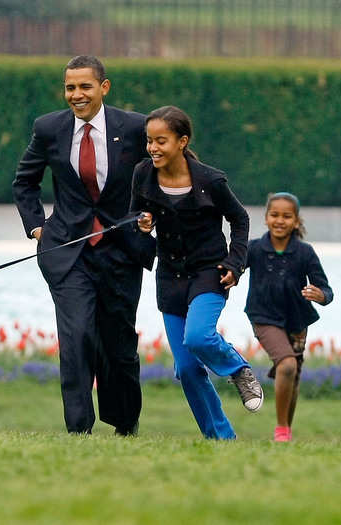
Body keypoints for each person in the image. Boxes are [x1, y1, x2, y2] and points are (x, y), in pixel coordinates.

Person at [12, 55, 155, 435]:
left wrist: (151, 215)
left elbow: (162, 173)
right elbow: (24, 182)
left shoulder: (136, 127)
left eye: (85, 87)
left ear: (103, 88)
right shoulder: (48, 128)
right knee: (76, 341)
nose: (76, 95)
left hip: (121, 252)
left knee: (118, 346)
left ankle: (125, 424)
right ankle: (78, 431)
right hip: (68, 252)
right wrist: (37, 229)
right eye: (70, 87)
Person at [130, 105, 263, 440]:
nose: (153, 147)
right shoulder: (143, 174)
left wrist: (236, 262)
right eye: (149, 141)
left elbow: (240, 219)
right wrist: (142, 224)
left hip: (209, 271)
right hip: (170, 276)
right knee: (188, 368)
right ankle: (221, 438)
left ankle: (237, 368)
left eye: (161, 140)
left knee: (199, 336)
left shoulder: (210, 180)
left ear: (182, 141)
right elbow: (136, 216)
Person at [245, 192, 333, 442]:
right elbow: (233, 267)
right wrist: (229, 277)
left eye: (286, 216)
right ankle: (281, 430)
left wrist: (320, 295)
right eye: (274, 215)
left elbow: (326, 290)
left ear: (296, 221)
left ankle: (286, 431)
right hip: (263, 317)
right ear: (266, 218)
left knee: (291, 376)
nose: (280, 220)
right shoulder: (255, 249)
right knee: (287, 365)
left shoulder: (305, 253)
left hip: (297, 323)